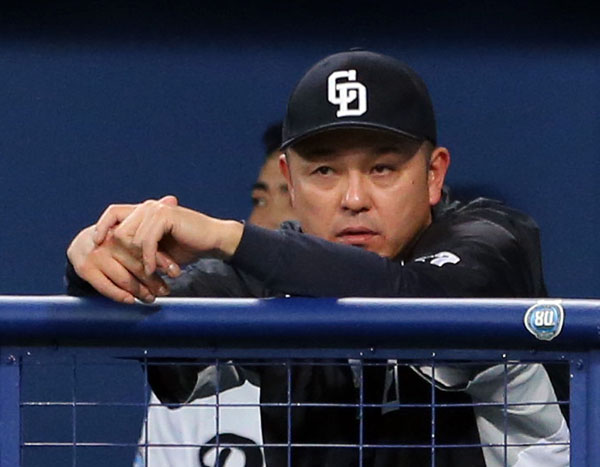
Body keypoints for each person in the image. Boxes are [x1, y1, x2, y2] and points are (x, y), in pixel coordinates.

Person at [66, 50, 568, 467]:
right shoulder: (270, 276)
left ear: (434, 175)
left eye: (383, 168)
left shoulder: (492, 242)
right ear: (290, 181)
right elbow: (163, 341)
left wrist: (226, 235)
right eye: (325, 171)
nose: (354, 199)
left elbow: (410, 299)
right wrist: (100, 262)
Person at [134, 121, 294, 467]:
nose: (266, 220)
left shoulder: (395, 360)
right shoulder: (194, 369)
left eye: (291, 197)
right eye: (260, 200)